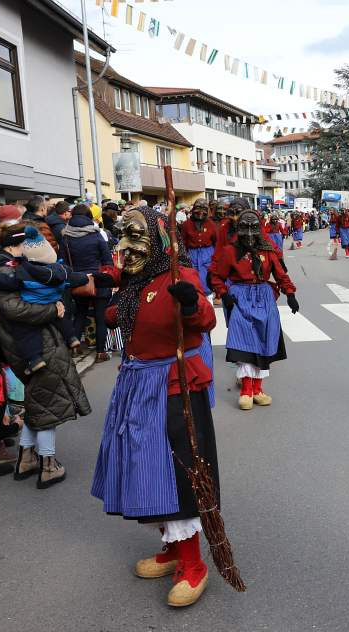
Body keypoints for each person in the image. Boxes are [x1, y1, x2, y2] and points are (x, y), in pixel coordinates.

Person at [89, 206, 219, 608]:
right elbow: (115, 318)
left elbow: (207, 320)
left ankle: (194, 563)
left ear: (160, 241)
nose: (126, 247)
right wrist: (109, 286)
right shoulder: (135, 279)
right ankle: (172, 548)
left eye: (135, 237)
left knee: (179, 474)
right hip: (136, 384)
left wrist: (190, 305)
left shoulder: (181, 276)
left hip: (172, 386)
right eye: (121, 237)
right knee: (145, 470)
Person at [0, 224, 92, 488]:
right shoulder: (5, 274)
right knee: (48, 408)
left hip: (36, 347)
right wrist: (54, 310)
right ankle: (48, 465)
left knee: (38, 403)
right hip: (36, 349)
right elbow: (16, 311)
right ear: (15, 246)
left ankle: (26, 458)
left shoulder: (8, 271)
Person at [210, 209, 299, 411]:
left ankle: (258, 390)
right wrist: (224, 294)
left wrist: (290, 294)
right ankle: (246, 391)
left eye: (253, 228)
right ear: (239, 229)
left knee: (264, 341)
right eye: (245, 228)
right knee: (244, 343)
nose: (249, 233)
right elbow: (217, 276)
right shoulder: (230, 251)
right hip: (240, 297)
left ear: (259, 229)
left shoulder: (268, 250)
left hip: (265, 297)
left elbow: (280, 274)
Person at [0, 226, 88, 375]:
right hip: (44, 348)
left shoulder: (20, 269)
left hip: (51, 347)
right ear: (11, 248)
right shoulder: (7, 271)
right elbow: (16, 310)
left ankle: (63, 342)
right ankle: (70, 338)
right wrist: (54, 309)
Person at [60, 205, 114, 362]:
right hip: (99, 280)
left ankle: (75, 348)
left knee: (80, 314)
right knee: (100, 316)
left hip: (77, 280)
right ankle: (100, 352)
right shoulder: (96, 236)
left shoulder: (66, 237)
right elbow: (107, 260)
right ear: (89, 217)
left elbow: (63, 262)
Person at [178, 199, 218, 295]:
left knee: (207, 279)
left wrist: (216, 257)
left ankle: (208, 300)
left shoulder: (211, 224)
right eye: (198, 208)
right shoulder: (186, 224)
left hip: (207, 253)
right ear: (193, 209)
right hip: (192, 253)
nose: (200, 212)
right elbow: (183, 242)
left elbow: (216, 241)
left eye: (204, 209)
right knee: (193, 277)